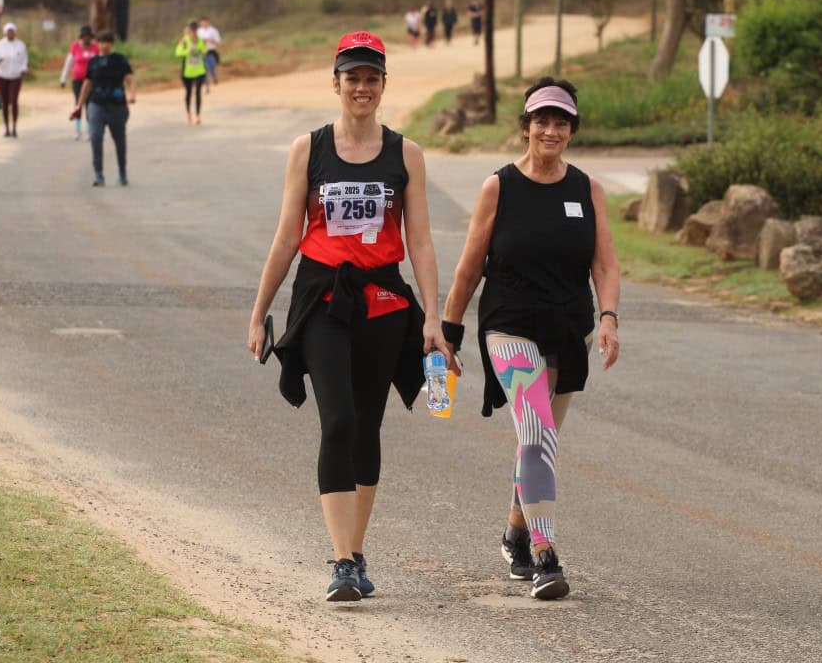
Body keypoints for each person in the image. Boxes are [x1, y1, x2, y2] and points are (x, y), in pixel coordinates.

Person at [247, 31, 456, 603]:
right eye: (352, 78)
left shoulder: (406, 154)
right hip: (322, 298)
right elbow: (287, 236)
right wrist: (260, 311)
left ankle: (356, 551)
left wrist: (432, 319)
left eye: (371, 78)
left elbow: (420, 242)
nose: (362, 88)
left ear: (383, 85)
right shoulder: (308, 149)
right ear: (335, 83)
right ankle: (341, 562)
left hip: (384, 300)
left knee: (367, 425)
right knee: (337, 421)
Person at [441, 76, 621, 601]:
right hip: (510, 325)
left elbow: (605, 264)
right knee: (537, 431)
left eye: (560, 122)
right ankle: (545, 554)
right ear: (526, 126)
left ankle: (516, 531)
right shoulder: (499, 186)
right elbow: (470, 266)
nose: (550, 130)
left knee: (539, 441)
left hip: (568, 328)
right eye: (541, 120)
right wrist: (449, 332)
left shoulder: (586, 189)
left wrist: (609, 317)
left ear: (572, 131)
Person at [70, 30, 136, 187]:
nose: (104, 45)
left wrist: (132, 95)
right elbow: (87, 84)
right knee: (95, 137)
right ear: (97, 43)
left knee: (119, 140)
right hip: (96, 104)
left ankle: (122, 172)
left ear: (112, 43)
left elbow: (130, 79)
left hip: (117, 105)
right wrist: (79, 105)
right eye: (101, 42)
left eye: (107, 42)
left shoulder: (120, 59)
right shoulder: (93, 62)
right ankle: (98, 175)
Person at [60, 24, 100, 140]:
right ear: (81, 37)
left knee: (90, 104)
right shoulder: (75, 46)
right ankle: (77, 130)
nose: (86, 38)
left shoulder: (95, 47)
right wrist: (63, 78)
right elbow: (69, 63)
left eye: (88, 36)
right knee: (78, 103)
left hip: (92, 81)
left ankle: (89, 130)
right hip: (78, 80)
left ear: (91, 37)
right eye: (84, 36)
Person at [0, 22, 28, 138]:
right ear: (5, 32)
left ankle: (14, 127)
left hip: (15, 76)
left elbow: (24, 60)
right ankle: (6, 128)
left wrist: (23, 69)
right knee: (4, 102)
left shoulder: (20, 45)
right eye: (8, 31)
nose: (10, 33)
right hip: (2, 75)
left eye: (12, 31)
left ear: (15, 32)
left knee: (14, 100)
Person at [174, 20, 208, 125]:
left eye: (195, 29)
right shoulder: (185, 41)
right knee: (188, 92)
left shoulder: (201, 41)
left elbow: (205, 51)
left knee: (198, 92)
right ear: (189, 30)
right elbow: (177, 53)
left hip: (199, 71)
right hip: (187, 72)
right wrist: (187, 51)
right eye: (192, 29)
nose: (194, 31)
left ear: (198, 30)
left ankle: (198, 115)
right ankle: (188, 112)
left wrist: (203, 52)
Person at [196, 16, 222, 93]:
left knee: (212, 67)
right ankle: (207, 86)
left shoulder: (213, 30)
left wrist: (210, 40)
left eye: (205, 22)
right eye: (202, 22)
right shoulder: (198, 31)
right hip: (202, 53)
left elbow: (218, 41)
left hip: (211, 51)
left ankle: (215, 77)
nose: (204, 23)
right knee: (205, 69)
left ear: (208, 22)